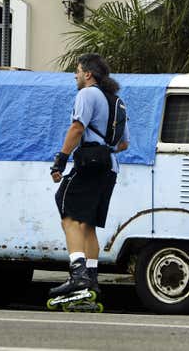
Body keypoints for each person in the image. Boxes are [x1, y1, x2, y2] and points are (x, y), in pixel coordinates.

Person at [48, 53, 129, 298]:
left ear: (88, 74)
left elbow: (77, 127)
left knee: (68, 212)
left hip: (90, 164)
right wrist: (105, 149)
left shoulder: (86, 94)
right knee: (87, 224)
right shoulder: (117, 102)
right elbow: (124, 144)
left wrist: (60, 159)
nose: (75, 75)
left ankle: (78, 276)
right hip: (110, 167)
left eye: (77, 70)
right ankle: (92, 279)